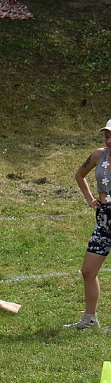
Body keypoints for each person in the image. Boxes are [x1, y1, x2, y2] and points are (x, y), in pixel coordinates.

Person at [67, 119, 111, 329]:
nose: (108, 140)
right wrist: (90, 198)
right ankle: (90, 318)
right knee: (88, 271)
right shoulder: (98, 155)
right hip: (104, 218)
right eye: (106, 136)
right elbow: (79, 174)